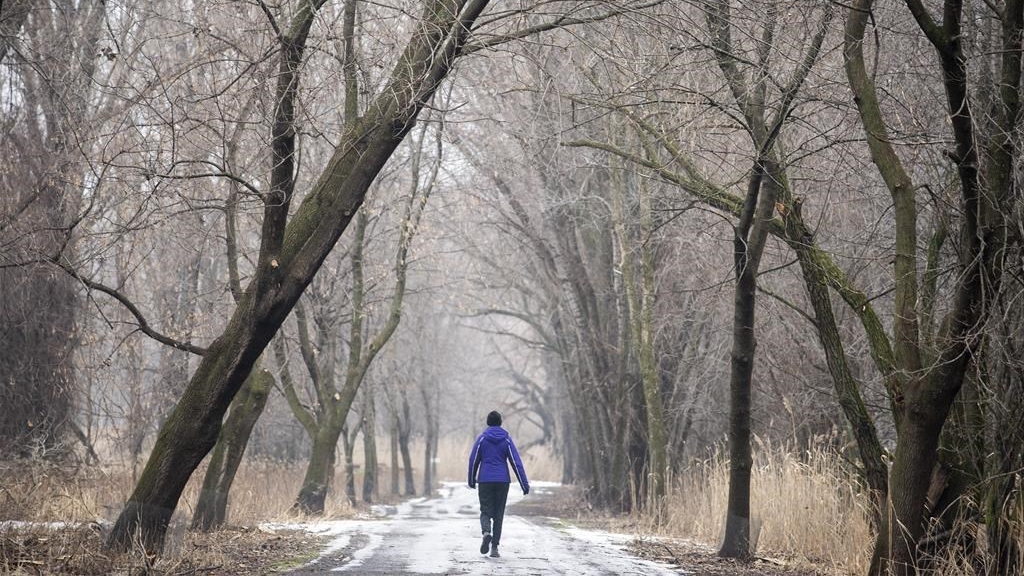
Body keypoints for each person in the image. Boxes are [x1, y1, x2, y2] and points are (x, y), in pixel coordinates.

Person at [467, 410, 529, 558]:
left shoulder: (482, 439)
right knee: (499, 514)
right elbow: (516, 462)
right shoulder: (506, 439)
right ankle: (494, 548)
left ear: (488, 422)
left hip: (485, 480)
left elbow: (473, 459)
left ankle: (486, 532)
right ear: (500, 422)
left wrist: (471, 479)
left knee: (485, 511)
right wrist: (524, 484)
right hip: (502, 481)